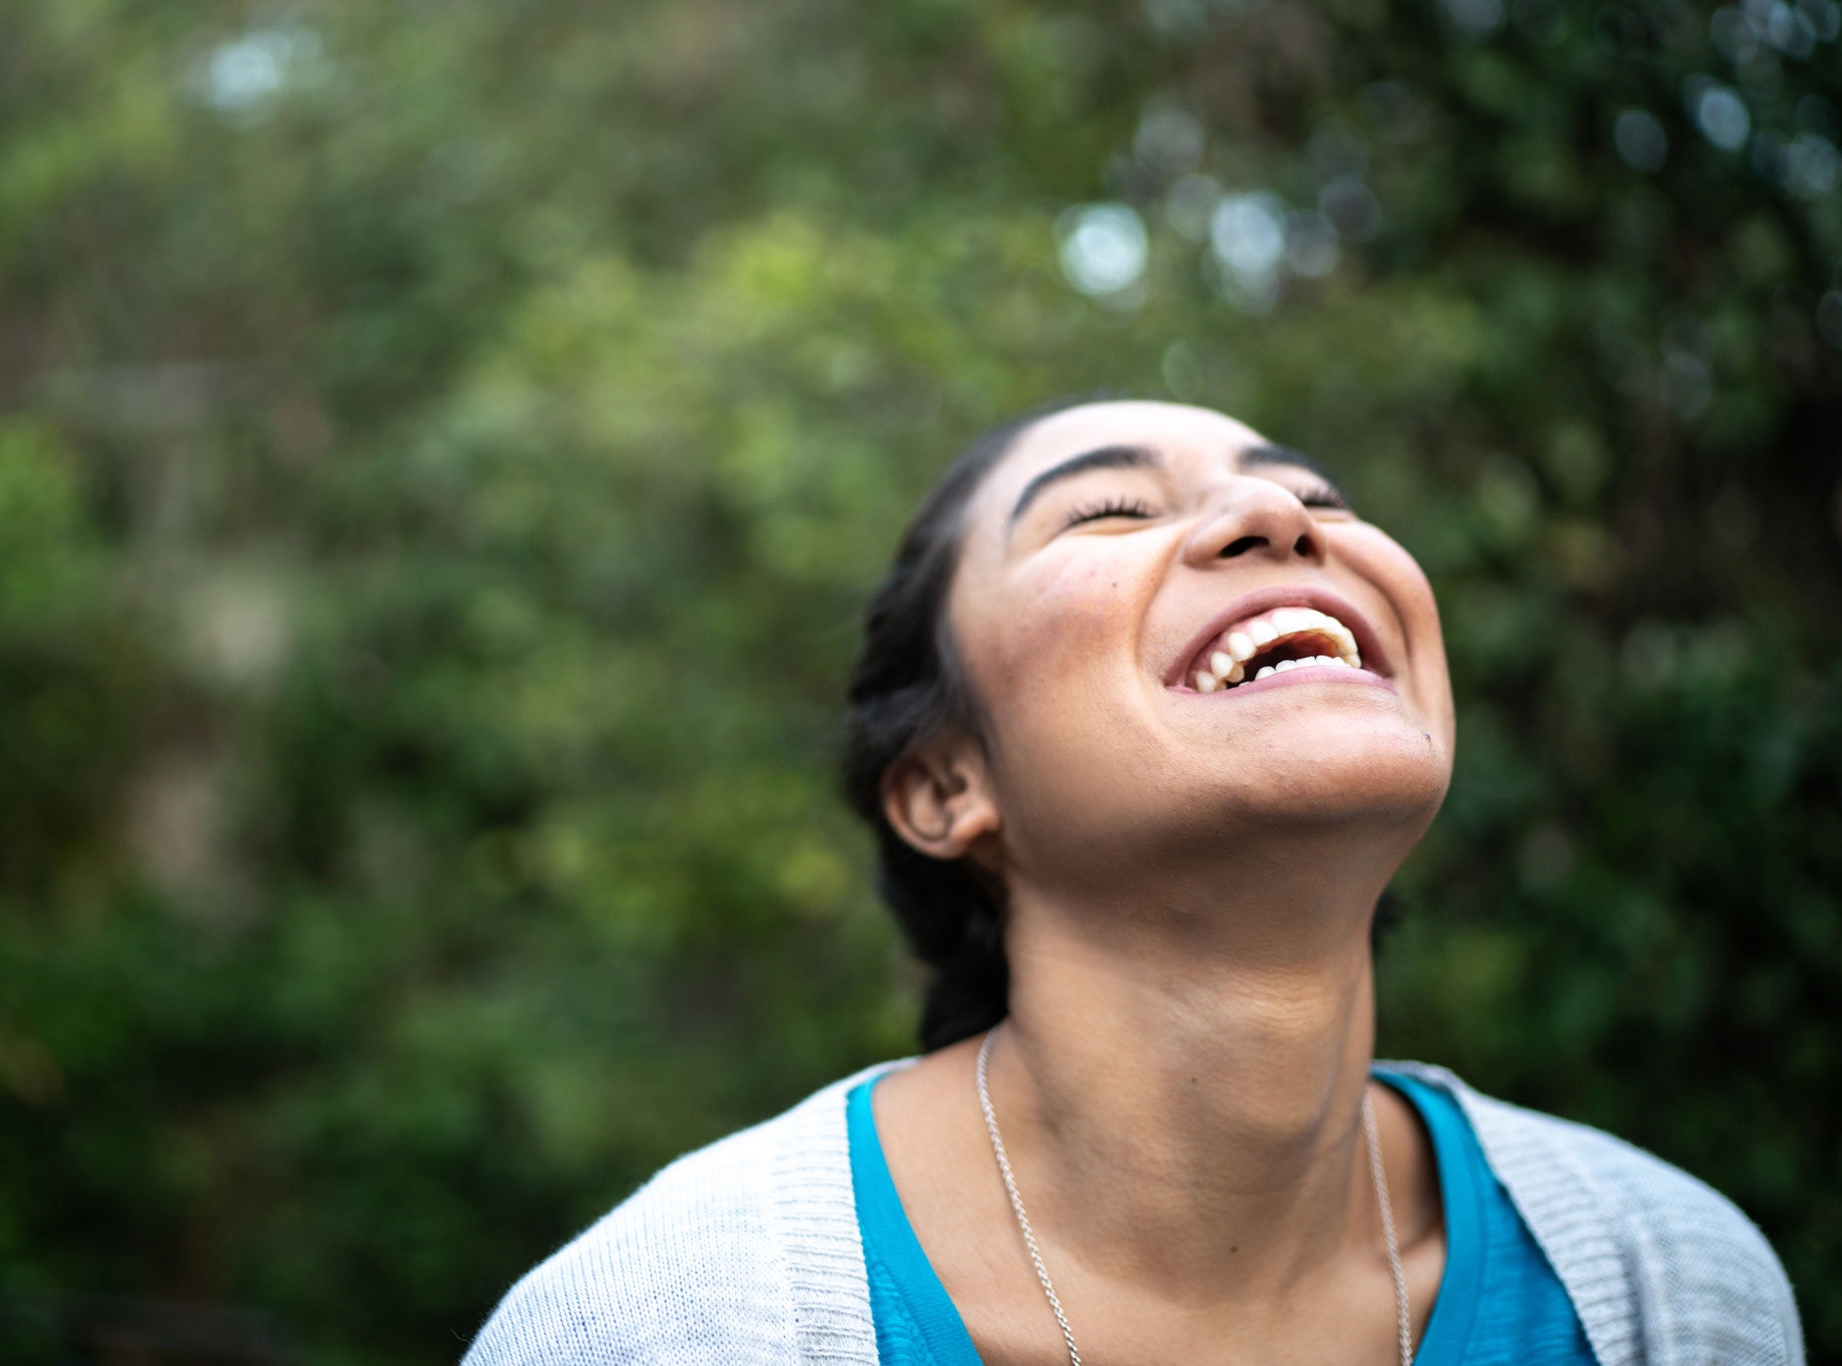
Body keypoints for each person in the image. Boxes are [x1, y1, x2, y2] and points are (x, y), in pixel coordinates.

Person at [466, 400, 1803, 1365]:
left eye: (1321, 499)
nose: (1279, 515)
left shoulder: (1674, 1290)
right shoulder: (665, 1325)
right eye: (1110, 509)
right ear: (945, 785)